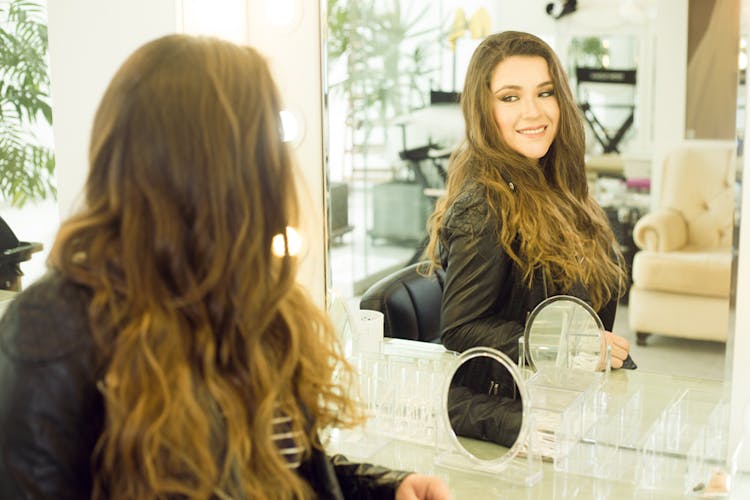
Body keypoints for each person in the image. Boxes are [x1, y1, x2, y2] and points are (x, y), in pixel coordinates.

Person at [0, 34, 450, 500]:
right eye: (266, 140)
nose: (279, 166)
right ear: (211, 162)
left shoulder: (252, 298)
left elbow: (277, 468)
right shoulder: (53, 329)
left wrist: (384, 489)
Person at [425, 31, 632, 370]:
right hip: (524, 407)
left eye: (545, 93)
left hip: (569, 391)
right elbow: (460, 329)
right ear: (484, 110)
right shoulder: (483, 205)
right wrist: (563, 350)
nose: (533, 112)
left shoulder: (560, 187)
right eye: (510, 98)